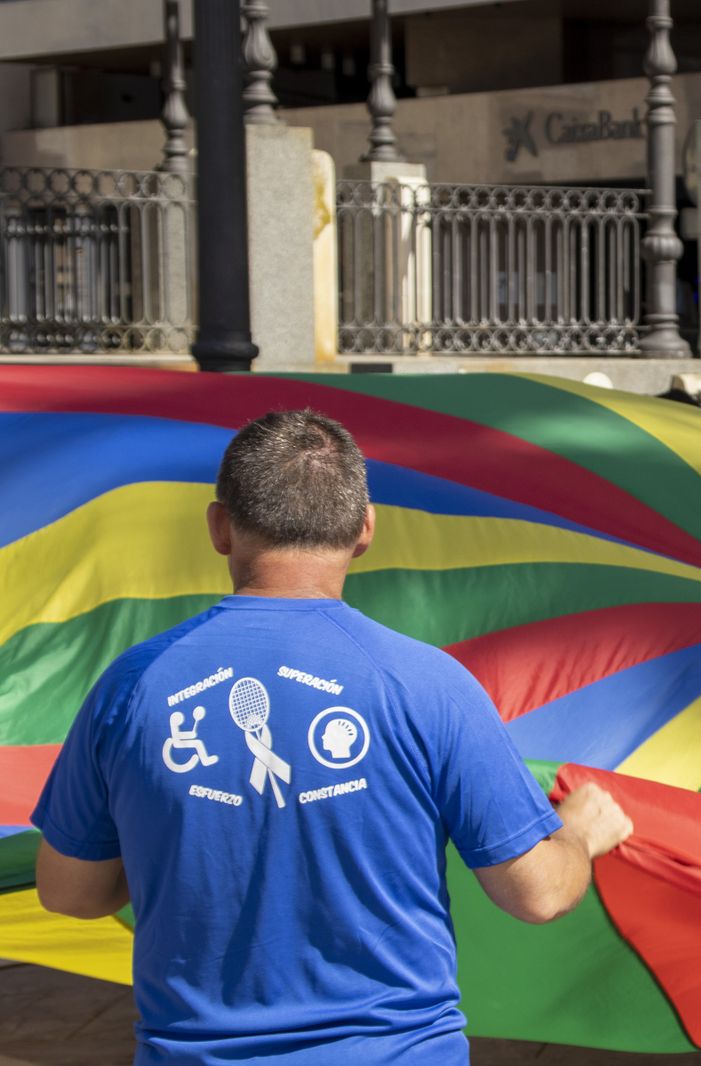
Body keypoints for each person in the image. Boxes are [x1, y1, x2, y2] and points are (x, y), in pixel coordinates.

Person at [32, 410, 633, 1064]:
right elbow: (540, 892)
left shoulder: (134, 686)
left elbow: (69, 892)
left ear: (219, 527)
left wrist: (172, 833)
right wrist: (578, 833)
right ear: (365, 528)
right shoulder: (429, 685)